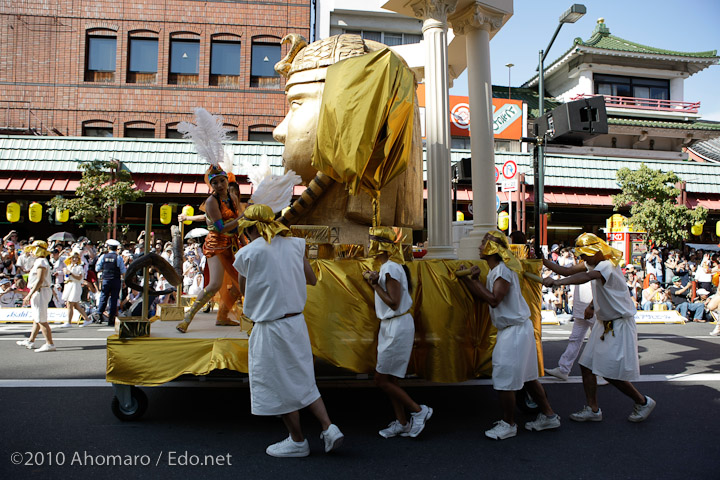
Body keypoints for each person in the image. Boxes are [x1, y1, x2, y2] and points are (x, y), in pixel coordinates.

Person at [232, 204, 343, 457]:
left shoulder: (247, 253)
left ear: (248, 230)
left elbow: (244, 291)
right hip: (295, 323)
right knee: (303, 378)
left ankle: (297, 441)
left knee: (277, 385)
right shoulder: (295, 245)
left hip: (270, 328)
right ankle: (329, 427)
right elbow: (312, 279)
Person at [543, 233, 656, 423]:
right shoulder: (595, 263)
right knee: (586, 366)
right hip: (604, 323)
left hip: (618, 324)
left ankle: (642, 401)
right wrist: (542, 261)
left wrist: (557, 282)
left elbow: (585, 277)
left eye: (586, 254)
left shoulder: (606, 265)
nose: (583, 258)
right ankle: (593, 409)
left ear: (596, 251)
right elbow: (565, 270)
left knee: (607, 372)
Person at [459, 230, 560, 440]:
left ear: (492, 249)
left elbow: (494, 300)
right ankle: (549, 416)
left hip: (514, 331)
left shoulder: (502, 271)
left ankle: (509, 423)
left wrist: (470, 280)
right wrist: (474, 279)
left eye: (482, 244)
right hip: (517, 329)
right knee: (529, 378)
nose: (479, 247)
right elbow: (487, 298)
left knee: (505, 379)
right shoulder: (499, 270)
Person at [363, 226, 432, 439]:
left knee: (381, 380)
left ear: (381, 245)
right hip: (392, 325)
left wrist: (374, 284)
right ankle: (402, 422)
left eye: (372, 240)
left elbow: (393, 303)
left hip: (396, 325)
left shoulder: (390, 268)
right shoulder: (390, 267)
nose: (369, 244)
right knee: (390, 380)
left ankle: (419, 411)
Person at [176, 165, 246, 333]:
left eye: (222, 180)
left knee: (242, 283)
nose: (220, 185)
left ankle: (222, 316)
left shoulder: (232, 198)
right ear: (211, 185)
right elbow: (221, 227)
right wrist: (243, 218)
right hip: (216, 245)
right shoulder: (211, 201)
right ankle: (187, 319)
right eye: (215, 182)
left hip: (233, 243)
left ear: (227, 180)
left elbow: (237, 226)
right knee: (214, 284)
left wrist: (244, 243)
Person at [16, 241, 56, 352]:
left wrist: (29, 294)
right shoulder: (40, 261)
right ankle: (31, 340)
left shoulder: (41, 262)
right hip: (39, 291)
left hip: (40, 291)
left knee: (41, 319)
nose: (31, 251)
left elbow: (40, 280)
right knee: (37, 319)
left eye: (33, 249)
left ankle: (50, 343)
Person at [92, 240, 126, 326]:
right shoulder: (118, 257)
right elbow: (123, 270)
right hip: (115, 280)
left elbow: (97, 268)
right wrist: (124, 280)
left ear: (108, 247)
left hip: (106, 279)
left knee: (103, 297)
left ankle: (99, 316)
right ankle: (111, 318)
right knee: (114, 299)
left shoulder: (103, 256)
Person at [60, 249, 90, 327]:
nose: (74, 259)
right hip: (68, 285)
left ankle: (69, 322)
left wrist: (71, 274)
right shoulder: (68, 267)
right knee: (76, 305)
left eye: (76, 258)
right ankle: (87, 319)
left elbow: (79, 278)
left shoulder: (79, 267)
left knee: (70, 304)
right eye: (73, 257)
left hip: (75, 286)